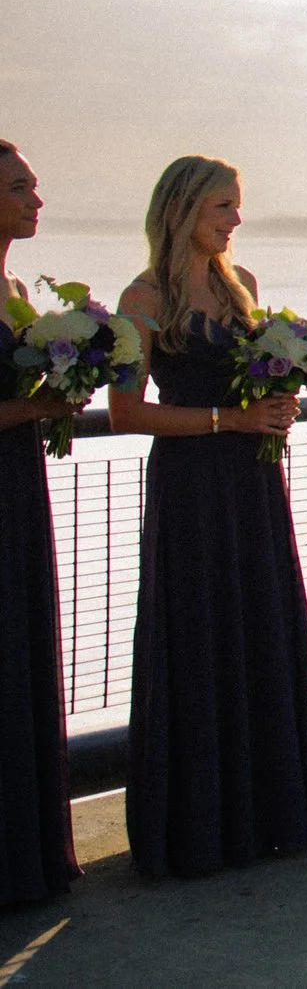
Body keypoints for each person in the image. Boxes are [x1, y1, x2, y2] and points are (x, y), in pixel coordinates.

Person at [109, 156, 307, 876]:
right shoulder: (143, 298)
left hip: (254, 481)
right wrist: (226, 419)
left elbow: (260, 387)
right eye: (222, 206)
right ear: (180, 208)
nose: (235, 219)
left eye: (237, 207)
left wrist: (279, 406)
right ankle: (201, 824)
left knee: (259, 623)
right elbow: (122, 410)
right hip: (192, 484)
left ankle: (270, 809)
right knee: (199, 629)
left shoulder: (245, 292)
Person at [0, 141, 80, 904]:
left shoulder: (16, 284)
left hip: (17, 489)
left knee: (18, 651)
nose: (36, 198)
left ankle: (23, 852)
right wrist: (37, 407)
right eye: (21, 186)